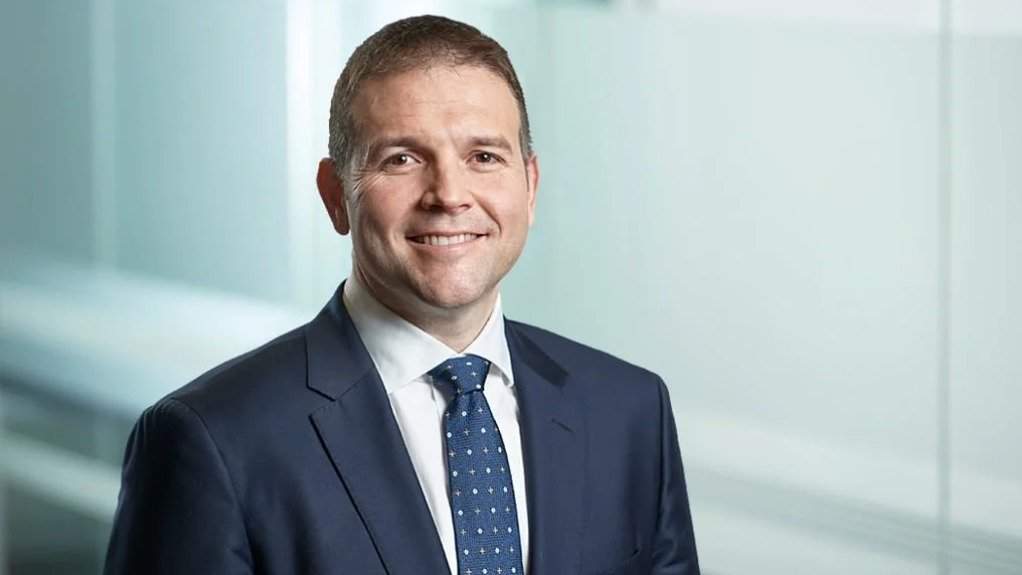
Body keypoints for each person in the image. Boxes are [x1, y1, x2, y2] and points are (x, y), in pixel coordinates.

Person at [104, 15, 699, 575]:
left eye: (484, 156)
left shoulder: (629, 411)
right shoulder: (212, 439)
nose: (449, 195)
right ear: (336, 195)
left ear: (530, 184)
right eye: (403, 159)